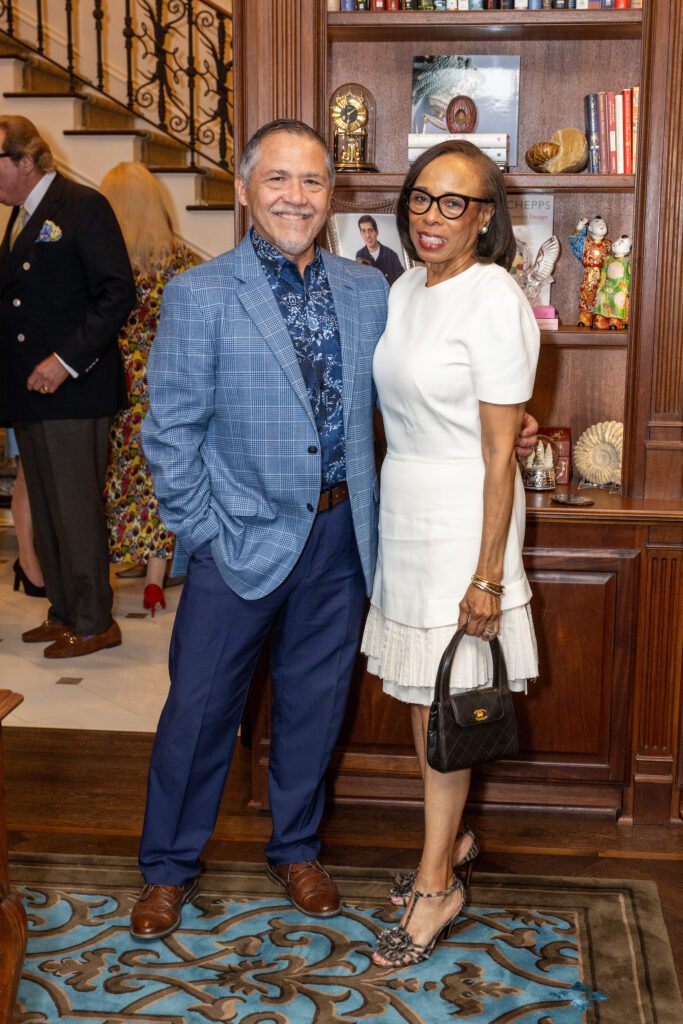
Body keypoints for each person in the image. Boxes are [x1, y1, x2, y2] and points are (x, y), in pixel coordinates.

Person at [130, 120, 537, 941]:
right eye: (277, 179)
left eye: (312, 181)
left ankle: (296, 849)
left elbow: (429, 382)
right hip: (236, 539)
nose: (295, 196)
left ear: (332, 196)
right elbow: (168, 434)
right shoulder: (199, 294)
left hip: (344, 537)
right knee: (198, 712)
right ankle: (167, 867)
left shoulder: (368, 290)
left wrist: (508, 427)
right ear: (244, 191)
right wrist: (204, 532)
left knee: (315, 708)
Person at [360, 139, 540, 968]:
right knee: (420, 695)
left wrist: (487, 576)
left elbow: (499, 454)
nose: (431, 217)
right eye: (420, 197)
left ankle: (436, 884)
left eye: (454, 202)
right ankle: (450, 842)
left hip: (465, 518)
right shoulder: (403, 287)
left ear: (485, 216)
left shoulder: (494, 295)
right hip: (404, 510)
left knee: (449, 705)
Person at [0, 116, 135, 657]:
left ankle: (96, 622)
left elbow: (117, 293)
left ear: (24, 161)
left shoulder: (81, 206)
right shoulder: (20, 215)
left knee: (75, 510)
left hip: (73, 390)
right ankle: (65, 611)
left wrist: (65, 361)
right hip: (30, 391)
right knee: (50, 509)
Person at [100, 162, 200, 616]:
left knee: (117, 477)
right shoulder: (179, 260)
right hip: (165, 383)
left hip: (114, 384)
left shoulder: (105, 261)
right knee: (161, 474)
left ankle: (121, 559)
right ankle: (156, 579)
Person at [355, 214, 405, 285]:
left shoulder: (391, 255)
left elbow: (402, 282)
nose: (367, 235)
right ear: (361, 234)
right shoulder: (360, 255)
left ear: (376, 232)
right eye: (363, 231)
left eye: (370, 230)